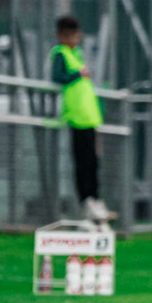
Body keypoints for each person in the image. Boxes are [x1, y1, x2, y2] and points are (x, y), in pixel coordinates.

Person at [48, 14, 112, 223]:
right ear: (60, 35)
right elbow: (58, 77)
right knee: (83, 162)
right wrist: (77, 75)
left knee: (93, 162)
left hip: (90, 117)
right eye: (67, 35)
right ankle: (86, 201)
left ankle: (95, 198)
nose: (72, 39)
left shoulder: (76, 54)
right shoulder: (61, 54)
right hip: (77, 117)